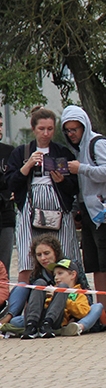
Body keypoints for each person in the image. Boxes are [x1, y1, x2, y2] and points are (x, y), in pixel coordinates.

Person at [60, 105, 106, 314]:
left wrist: (82, 168)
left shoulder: (99, 143)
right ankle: (102, 311)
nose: (72, 134)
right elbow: (84, 187)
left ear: (84, 126)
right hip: (90, 212)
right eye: (68, 130)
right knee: (96, 264)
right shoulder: (77, 149)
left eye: (75, 129)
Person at [7, 107, 80, 283]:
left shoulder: (62, 152)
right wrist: (27, 166)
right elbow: (10, 183)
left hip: (59, 209)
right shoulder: (22, 152)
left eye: (50, 129)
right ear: (33, 129)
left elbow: (75, 188)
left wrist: (61, 180)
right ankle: (25, 305)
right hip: (29, 209)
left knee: (65, 257)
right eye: (42, 129)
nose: (46, 133)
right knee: (27, 259)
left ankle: (67, 301)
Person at [0, 115, 16, 274]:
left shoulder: (9, 152)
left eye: (0, 125)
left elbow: (15, 179)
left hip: (6, 213)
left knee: (4, 265)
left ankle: (2, 297)